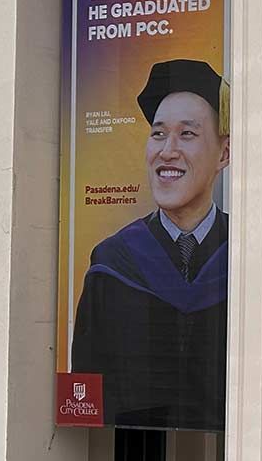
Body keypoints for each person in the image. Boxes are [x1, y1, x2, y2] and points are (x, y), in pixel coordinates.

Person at [72, 59, 231, 430]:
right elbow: (91, 387)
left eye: (187, 134)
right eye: (158, 134)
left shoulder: (246, 255)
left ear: (224, 154)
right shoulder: (113, 262)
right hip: (130, 453)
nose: (167, 151)